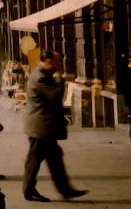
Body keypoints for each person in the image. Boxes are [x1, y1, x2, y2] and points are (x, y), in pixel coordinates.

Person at [23, 50, 87, 202]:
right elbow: (54, 96)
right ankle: (29, 190)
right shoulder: (40, 77)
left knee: (55, 158)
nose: (59, 66)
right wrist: (60, 80)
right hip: (41, 127)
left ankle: (65, 190)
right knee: (34, 160)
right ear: (49, 62)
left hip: (43, 126)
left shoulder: (41, 73)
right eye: (57, 62)